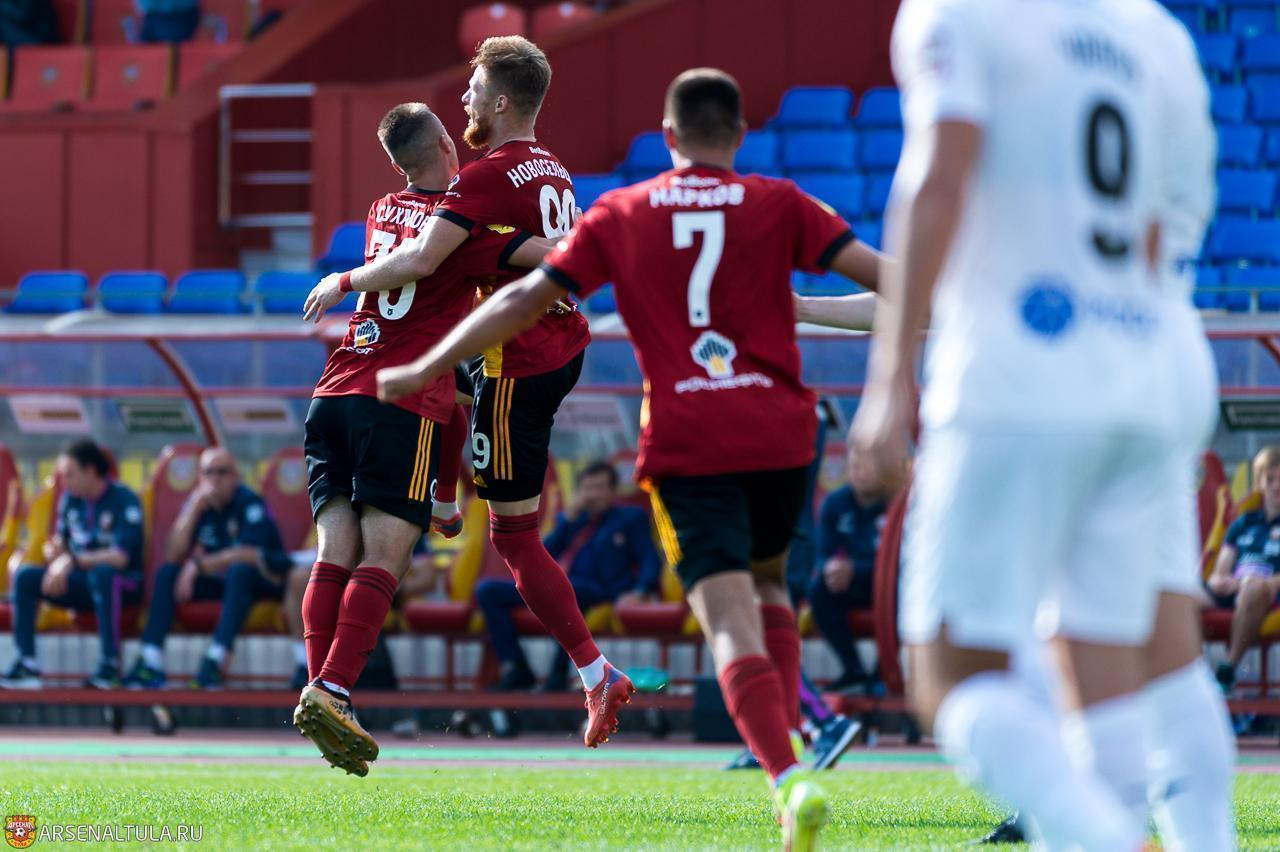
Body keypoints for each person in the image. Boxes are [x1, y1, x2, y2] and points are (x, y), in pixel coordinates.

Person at [376, 67, 883, 849]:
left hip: (686, 428)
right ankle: (795, 744)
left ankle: (789, 777)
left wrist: (425, 364)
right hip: (783, 429)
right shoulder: (781, 201)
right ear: (741, 135)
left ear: (667, 136)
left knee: (726, 618)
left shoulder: (626, 210)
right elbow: (893, 283)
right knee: (770, 587)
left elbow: (521, 299)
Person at [850, 0, 1233, 848]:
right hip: (1148, 359)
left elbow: (938, 178)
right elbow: (1174, 224)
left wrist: (889, 379)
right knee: (1131, 668)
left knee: (950, 678)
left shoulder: (963, 10)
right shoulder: (1155, 35)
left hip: (1019, 373)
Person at [303, 36, 633, 749]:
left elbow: (428, 257)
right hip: (549, 346)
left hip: (510, 363)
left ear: (502, 101)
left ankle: (595, 673)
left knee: (510, 539)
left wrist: (343, 281)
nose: (465, 98)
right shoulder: (550, 167)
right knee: (458, 417)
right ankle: (334, 687)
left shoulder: (462, 187)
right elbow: (545, 252)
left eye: (475, 88)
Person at [292, 101, 551, 778]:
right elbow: (539, 256)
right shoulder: (462, 226)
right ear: (444, 143)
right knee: (384, 555)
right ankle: (334, 688)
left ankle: (322, 692)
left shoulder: (382, 210)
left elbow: (410, 266)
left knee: (334, 550)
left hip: (333, 391)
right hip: (398, 401)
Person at [477, 460, 661, 691]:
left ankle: (558, 675)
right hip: (567, 588)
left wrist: (641, 591)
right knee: (488, 591)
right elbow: (538, 555)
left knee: (572, 591)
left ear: (613, 491)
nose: (592, 495)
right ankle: (516, 667)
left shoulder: (630, 518)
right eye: (587, 488)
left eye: (599, 488)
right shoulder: (575, 520)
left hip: (602, 591)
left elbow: (649, 558)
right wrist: (567, 521)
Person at [123, 447, 292, 690]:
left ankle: (216, 660)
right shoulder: (200, 506)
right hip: (218, 581)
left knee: (239, 571)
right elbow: (172, 554)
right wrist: (193, 509)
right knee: (167, 573)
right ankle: (150, 660)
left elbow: (250, 553)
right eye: (208, 472)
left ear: (236, 476)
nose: (215, 479)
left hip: (261, 582)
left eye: (222, 472)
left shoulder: (249, 503)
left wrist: (198, 565)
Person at [0, 440, 144, 690]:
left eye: (69, 474)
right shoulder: (70, 501)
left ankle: (109, 666)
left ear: (90, 470)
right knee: (26, 577)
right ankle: (27, 664)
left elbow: (121, 558)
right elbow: (64, 544)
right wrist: (55, 553)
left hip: (123, 585)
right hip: (81, 584)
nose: (64, 481)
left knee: (103, 574)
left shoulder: (124, 499)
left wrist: (71, 560)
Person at [283, 537, 438, 690]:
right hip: (341, 593)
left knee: (359, 592)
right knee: (300, 578)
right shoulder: (334, 525)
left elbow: (427, 578)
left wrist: (387, 587)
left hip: (382, 598)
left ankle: (336, 681)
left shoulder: (405, 527)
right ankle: (305, 663)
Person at [1207, 446, 1280, 695]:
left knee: (1254, 587)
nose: (1276, 486)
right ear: (1260, 484)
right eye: (1270, 479)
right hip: (1234, 589)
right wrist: (1218, 580)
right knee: (1182, 595)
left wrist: (1253, 583)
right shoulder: (1243, 522)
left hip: (1269, 594)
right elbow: (1221, 568)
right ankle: (1186, 674)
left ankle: (1227, 670)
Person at [808, 465, 886, 693]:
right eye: (855, 463)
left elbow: (906, 562)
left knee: (903, 591)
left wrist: (857, 569)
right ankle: (854, 669)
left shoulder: (895, 502)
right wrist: (832, 568)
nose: (861, 470)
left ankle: (883, 673)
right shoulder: (835, 502)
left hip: (888, 584)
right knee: (819, 590)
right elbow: (822, 556)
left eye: (867, 462)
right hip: (851, 584)